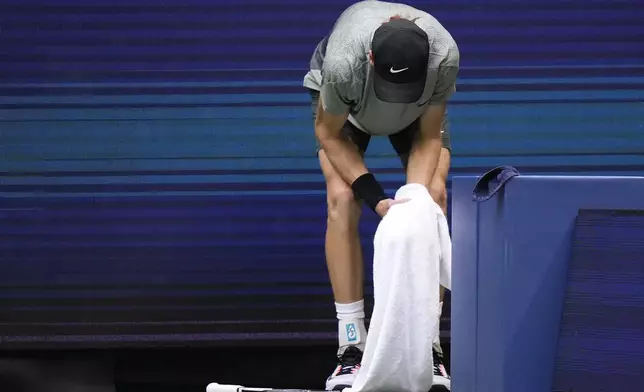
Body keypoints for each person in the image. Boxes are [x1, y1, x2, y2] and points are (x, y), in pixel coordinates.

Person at [302, 1, 459, 390]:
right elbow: (329, 134)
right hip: (347, 115)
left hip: (416, 117)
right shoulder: (343, 65)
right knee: (341, 198)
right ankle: (351, 347)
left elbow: (428, 136)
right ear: (371, 57)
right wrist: (376, 198)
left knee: (433, 199)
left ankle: (429, 346)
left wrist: (413, 203)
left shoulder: (444, 56)